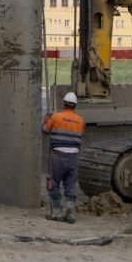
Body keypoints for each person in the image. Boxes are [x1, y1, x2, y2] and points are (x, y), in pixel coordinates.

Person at [42, 91, 85, 223]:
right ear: (75, 106)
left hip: (57, 157)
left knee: (52, 184)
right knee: (70, 185)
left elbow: (44, 130)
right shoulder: (81, 121)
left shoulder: (56, 117)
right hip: (73, 157)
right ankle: (71, 214)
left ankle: (57, 214)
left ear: (64, 104)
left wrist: (46, 120)